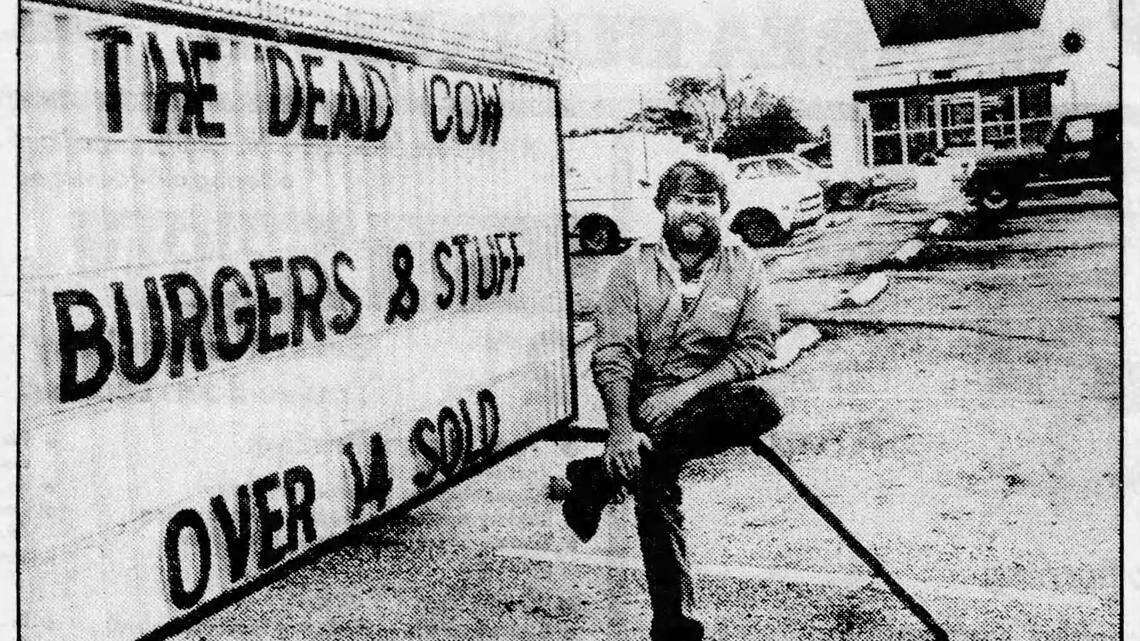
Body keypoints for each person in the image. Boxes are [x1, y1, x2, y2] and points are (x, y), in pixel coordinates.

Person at [560, 159, 785, 641]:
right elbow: (613, 352)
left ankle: (597, 477)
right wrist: (620, 428)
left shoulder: (744, 265)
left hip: (703, 399)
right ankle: (673, 622)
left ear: (722, 209)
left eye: (706, 201)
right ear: (663, 205)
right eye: (684, 199)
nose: (695, 212)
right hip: (640, 407)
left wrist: (683, 393)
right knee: (655, 491)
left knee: (762, 406)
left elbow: (758, 347)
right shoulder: (630, 267)